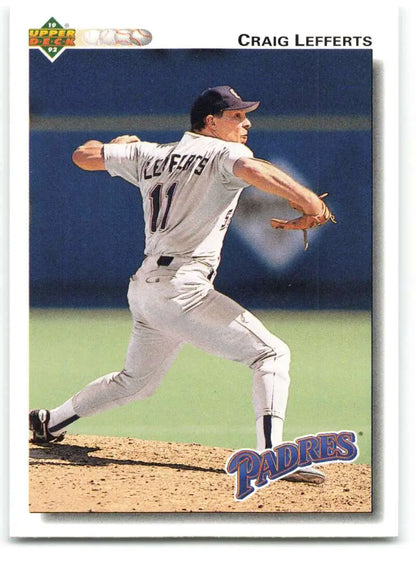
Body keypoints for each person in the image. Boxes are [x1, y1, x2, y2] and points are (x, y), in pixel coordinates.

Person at [30, 85, 330, 483]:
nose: (246, 123)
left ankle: (52, 421)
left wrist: (117, 146)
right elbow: (256, 170)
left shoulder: (149, 152)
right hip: (183, 288)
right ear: (211, 122)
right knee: (270, 355)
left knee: (135, 383)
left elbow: (82, 156)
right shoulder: (225, 152)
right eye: (237, 116)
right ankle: (271, 456)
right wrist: (309, 201)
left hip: (147, 289)